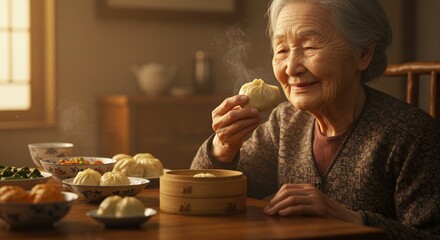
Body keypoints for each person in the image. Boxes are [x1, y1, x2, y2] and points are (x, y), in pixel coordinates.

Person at [190, 0, 440, 239]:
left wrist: (355, 221)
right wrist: (222, 148)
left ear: (363, 53)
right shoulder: (285, 122)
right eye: (282, 50)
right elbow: (199, 196)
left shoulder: (411, 135)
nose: (290, 68)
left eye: (309, 47)